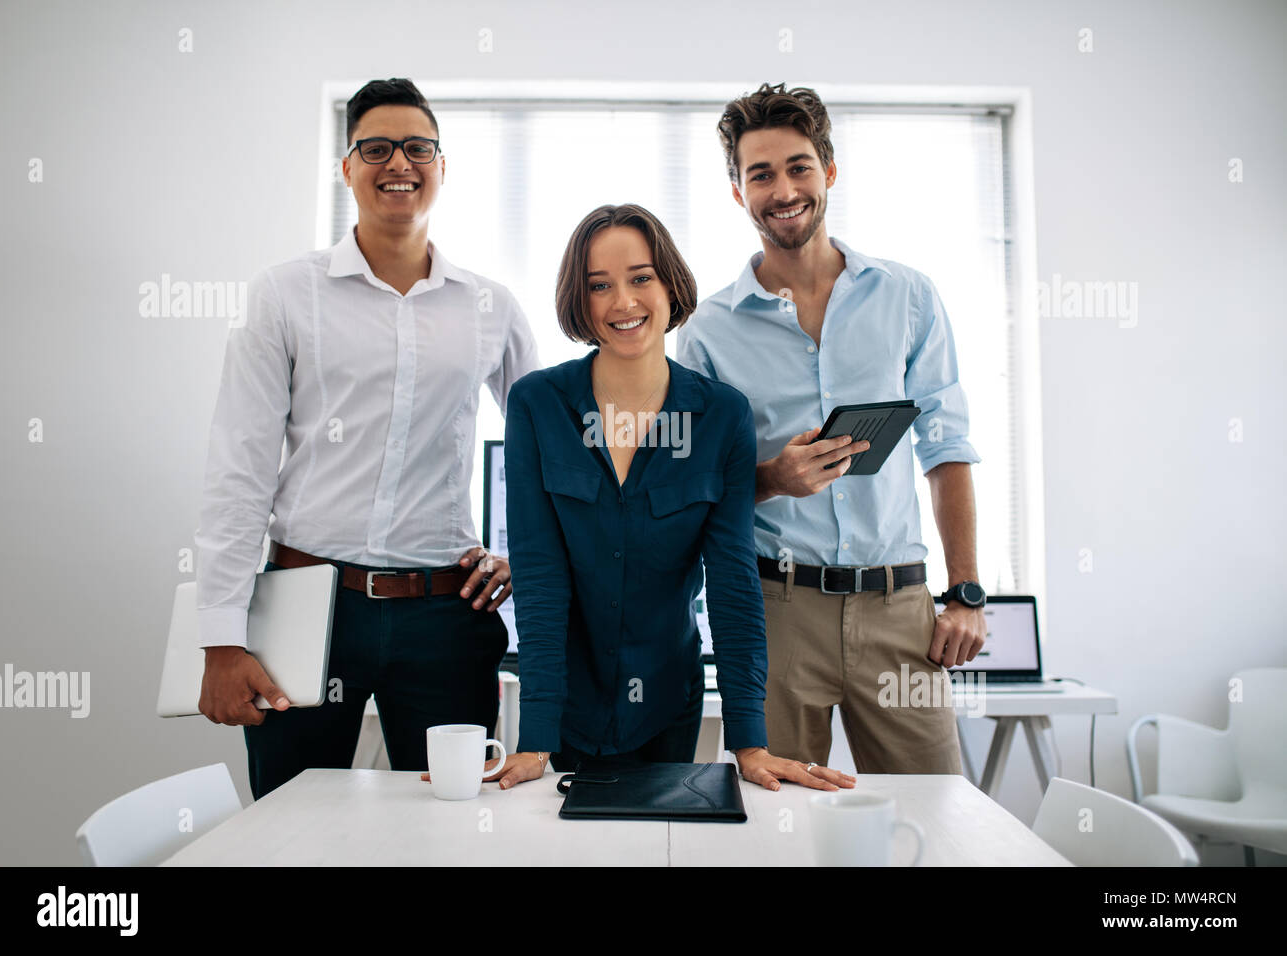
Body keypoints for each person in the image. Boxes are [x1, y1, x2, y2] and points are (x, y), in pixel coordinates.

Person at [195, 78, 539, 799]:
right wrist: (222, 637)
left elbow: (553, 455)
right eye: (375, 148)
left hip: (445, 615)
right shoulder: (285, 295)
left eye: (418, 148)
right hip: (305, 605)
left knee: (451, 824)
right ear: (346, 167)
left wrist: (525, 558)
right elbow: (240, 470)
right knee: (290, 823)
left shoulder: (489, 308)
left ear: (442, 166)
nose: (398, 164)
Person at [486, 203, 856, 793]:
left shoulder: (722, 416)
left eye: (640, 278)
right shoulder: (537, 405)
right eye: (598, 285)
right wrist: (535, 739)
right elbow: (540, 580)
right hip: (565, 707)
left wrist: (750, 743)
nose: (622, 302)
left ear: (669, 284)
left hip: (667, 701)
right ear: (579, 301)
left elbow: (732, 582)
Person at [677, 83, 986, 774]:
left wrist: (964, 591)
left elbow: (947, 447)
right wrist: (771, 479)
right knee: (779, 824)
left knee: (937, 813)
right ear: (737, 192)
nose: (782, 189)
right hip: (776, 613)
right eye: (760, 174)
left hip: (900, 612)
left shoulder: (907, 296)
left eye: (797, 167)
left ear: (829, 171)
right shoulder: (707, 331)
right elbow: (693, 487)